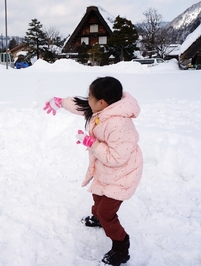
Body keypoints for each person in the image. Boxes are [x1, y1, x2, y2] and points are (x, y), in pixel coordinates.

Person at [43, 76, 143, 266]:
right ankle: (97, 218)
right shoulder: (104, 109)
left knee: (107, 212)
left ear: (102, 102)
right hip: (107, 169)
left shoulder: (118, 124)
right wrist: (60, 102)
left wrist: (92, 143)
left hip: (124, 174)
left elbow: (116, 158)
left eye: (90, 96)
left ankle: (121, 248)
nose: (87, 99)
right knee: (98, 196)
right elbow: (81, 106)